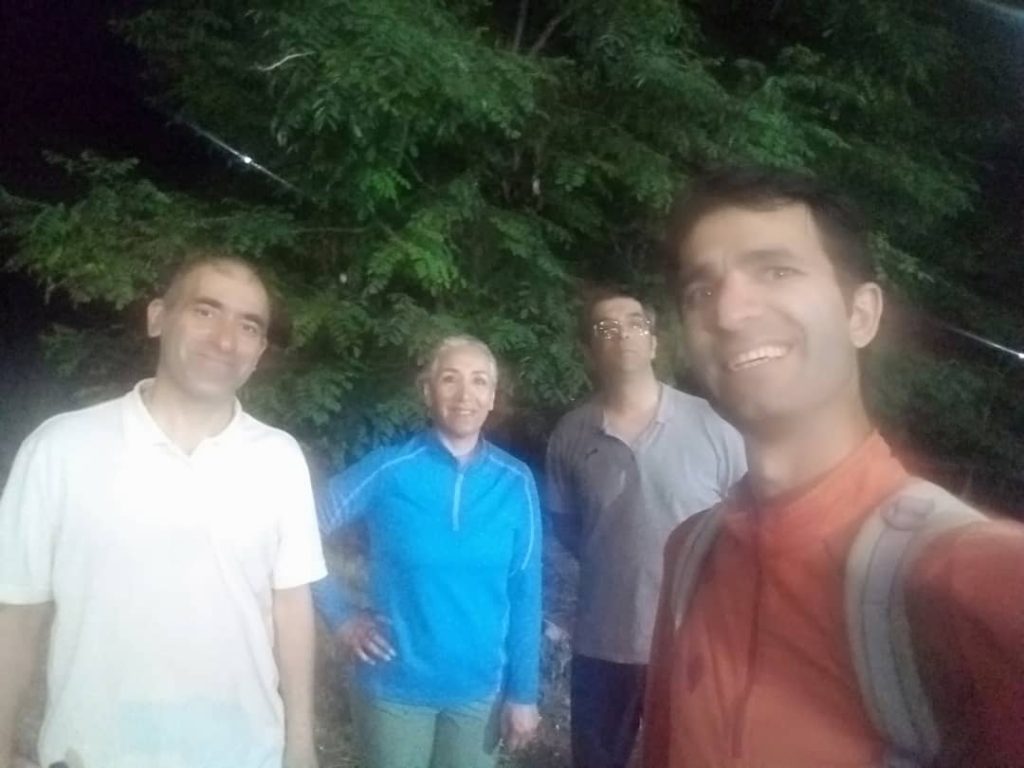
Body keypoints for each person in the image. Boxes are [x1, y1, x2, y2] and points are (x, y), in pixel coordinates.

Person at [644, 166, 1024, 767]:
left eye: (776, 270)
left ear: (861, 314)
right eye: (701, 291)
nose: (729, 313)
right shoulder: (690, 554)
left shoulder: (958, 576)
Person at [0, 251, 327, 768]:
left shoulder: (280, 459)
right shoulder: (60, 448)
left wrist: (301, 745)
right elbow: (15, 613)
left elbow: (291, 606)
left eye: (248, 326)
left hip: (246, 755)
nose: (225, 340)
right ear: (158, 317)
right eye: (205, 311)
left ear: (260, 350)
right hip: (92, 756)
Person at [312, 335, 542, 768]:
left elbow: (526, 592)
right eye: (450, 379)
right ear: (427, 391)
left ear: (492, 397)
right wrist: (339, 617)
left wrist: (524, 693)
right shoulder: (389, 469)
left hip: (480, 695)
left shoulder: (515, 481)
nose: (465, 394)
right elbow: (300, 530)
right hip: (394, 690)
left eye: (479, 381)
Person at [545, 288, 745, 768]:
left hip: (692, 646)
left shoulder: (714, 427)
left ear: (654, 342)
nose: (623, 335)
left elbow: (749, 531)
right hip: (602, 642)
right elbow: (569, 529)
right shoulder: (571, 434)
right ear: (590, 350)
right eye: (606, 328)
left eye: (635, 324)